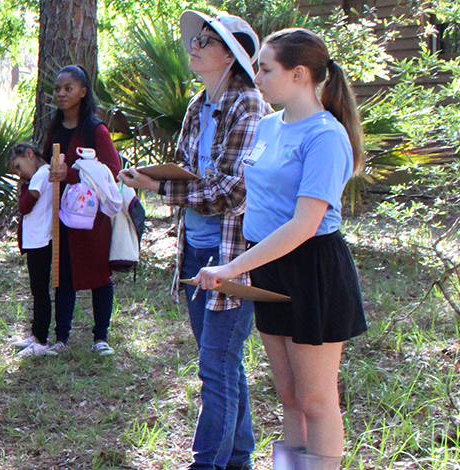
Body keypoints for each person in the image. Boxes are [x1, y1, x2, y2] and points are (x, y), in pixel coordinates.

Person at [195, 27, 369, 470]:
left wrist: (232, 267)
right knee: (289, 395)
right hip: (269, 266)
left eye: (265, 68)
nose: (256, 76)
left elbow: (304, 224)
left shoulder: (327, 137)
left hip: (312, 270)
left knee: (315, 398)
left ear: (300, 75)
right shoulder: (268, 125)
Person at [119, 11, 269, 470]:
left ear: (231, 55)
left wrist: (160, 187)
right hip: (196, 248)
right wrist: (154, 176)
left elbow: (233, 190)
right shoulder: (197, 107)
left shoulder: (249, 105)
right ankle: (239, 458)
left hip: (234, 253)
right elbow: (189, 172)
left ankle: (206, 464)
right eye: (196, 39)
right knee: (221, 361)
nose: (195, 46)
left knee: (215, 366)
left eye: (207, 40)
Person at [41, 64, 123, 356]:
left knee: (99, 275)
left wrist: (73, 175)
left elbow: (113, 169)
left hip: (92, 218)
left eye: (68, 88)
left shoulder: (96, 130)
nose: (61, 94)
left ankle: (100, 337)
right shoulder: (54, 128)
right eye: (57, 89)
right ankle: (61, 338)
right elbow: (46, 166)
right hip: (61, 214)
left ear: (83, 92)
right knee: (63, 275)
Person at [7, 144, 56, 357]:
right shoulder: (38, 176)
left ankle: (42, 339)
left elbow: (25, 206)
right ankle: (36, 334)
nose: (20, 174)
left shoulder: (41, 174)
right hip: (35, 239)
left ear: (29, 154)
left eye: (19, 166)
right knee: (37, 291)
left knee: (41, 291)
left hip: (41, 240)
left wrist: (23, 190)